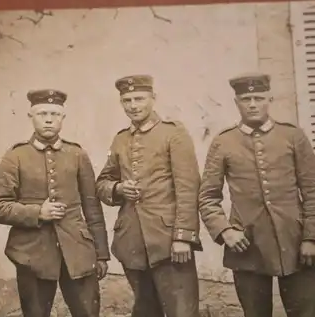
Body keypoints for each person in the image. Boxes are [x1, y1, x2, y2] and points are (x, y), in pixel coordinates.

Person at [199, 72, 315, 317]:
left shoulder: (292, 136)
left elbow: (312, 191)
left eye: (258, 98)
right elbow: (208, 197)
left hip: (294, 243)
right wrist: (225, 231)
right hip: (246, 245)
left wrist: (310, 238)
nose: (252, 104)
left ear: (269, 99)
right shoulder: (223, 142)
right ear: (236, 102)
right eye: (246, 99)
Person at [0, 89, 110, 317]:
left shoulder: (77, 155)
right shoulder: (15, 156)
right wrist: (37, 213)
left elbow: (92, 207)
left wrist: (101, 253)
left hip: (78, 251)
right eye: (42, 113)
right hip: (31, 253)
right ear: (30, 116)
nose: (48, 119)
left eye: (55, 114)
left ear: (63, 118)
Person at [96, 75, 202, 317]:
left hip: (169, 242)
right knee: (145, 311)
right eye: (127, 100)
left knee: (182, 312)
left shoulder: (173, 134)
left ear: (153, 99)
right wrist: (118, 189)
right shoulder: (120, 139)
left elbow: (188, 188)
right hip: (131, 242)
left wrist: (183, 236)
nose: (133, 105)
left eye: (139, 98)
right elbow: (102, 182)